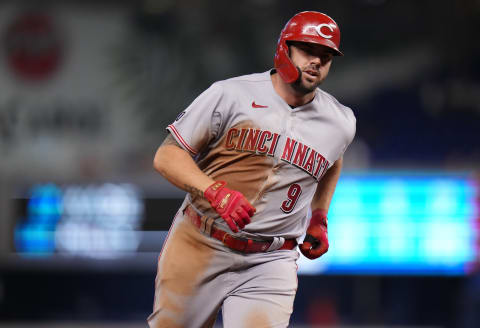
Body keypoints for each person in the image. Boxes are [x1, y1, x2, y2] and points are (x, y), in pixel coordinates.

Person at [148, 11, 356, 328]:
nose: (316, 61)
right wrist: (212, 191)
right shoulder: (231, 95)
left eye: (325, 56)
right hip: (200, 241)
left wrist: (319, 216)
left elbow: (333, 158)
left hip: (271, 259)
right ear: (284, 48)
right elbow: (167, 156)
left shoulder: (340, 121)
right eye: (308, 50)